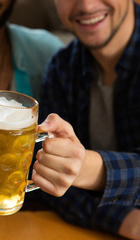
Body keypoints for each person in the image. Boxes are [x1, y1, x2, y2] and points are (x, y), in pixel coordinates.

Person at [31, 0, 140, 239]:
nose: (87, 5)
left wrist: (86, 169)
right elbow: (49, 186)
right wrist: (124, 220)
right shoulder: (61, 69)